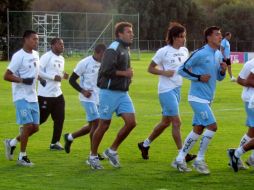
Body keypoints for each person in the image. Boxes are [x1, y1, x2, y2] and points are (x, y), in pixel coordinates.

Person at [137, 22, 196, 165]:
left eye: (184, 36)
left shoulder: (184, 51)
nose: (183, 39)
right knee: (177, 122)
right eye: (181, 37)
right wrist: (164, 72)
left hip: (177, 89)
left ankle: (144, 145)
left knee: (165, 122)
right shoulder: (163, 51)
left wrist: (196, 74)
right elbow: (150, 68)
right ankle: (182, 154)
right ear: (174, 37)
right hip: (165, 90)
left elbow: (186, 68)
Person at [174, 26, 227, 174]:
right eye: (217, 34)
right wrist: (198, 77)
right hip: (197, 98)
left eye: (220, 35)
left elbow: (219, 78)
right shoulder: (200, 53)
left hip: (208, 98)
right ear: (208, 37)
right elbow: (181, 69)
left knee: (198, 129)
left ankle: (180, 158)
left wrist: (222, 71)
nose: (220, 37)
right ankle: (199, 160)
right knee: (212, 126)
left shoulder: (217, 54)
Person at [87, 22, 136, 169]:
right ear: (120, 34)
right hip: (108, 93)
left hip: (122, 93)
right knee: (104, 125)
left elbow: (125, 69)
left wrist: (128, 78)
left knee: (131, 122)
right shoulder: (113, 48)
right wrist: (124, 74)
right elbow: (105, 71)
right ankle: (93, 156)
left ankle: (111, 150)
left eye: (132, 32)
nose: (132, 34)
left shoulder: (126, 49)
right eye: (128, 32)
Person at [3, 30, 40, 166]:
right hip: (21, 96)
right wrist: (23, 80)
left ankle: (11, 143)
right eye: (34, 39)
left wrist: (40, 79)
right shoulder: (18, 56)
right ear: (25, 39)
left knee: (35, 128)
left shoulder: (36, 54)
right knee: (28, 126)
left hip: (33, 96)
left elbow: (35, 71)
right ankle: (22, 157)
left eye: (37, 39)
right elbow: (6, 76)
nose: (36, 42)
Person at [64, 44, 106, 160]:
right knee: (97, 124)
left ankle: (70, 137)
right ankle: (93, 154)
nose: (104, 57)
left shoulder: (104, 63)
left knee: (91, 126)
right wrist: (83, 91)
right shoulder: (84, 63)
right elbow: (72, 80)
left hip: (99, 98)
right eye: (103, 54)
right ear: (97, 53)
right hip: (87, 99)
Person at [38, 38, 69, 150]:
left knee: (60, 118)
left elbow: (57, 74)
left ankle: (54, 143)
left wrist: (63, 75)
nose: (62, 46)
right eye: (59, 44)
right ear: (52, 45)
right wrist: (52, 77)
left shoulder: (61, 58)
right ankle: (27, 128)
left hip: (58, 93)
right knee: (41, 119)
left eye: (63, 44)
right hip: (45, 94)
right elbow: (38, 71)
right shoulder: (47, 56)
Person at [227, 57, 254, 172]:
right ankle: (238, 155)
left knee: (252, 132)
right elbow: (242, 80)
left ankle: (236, 154)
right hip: (251, 100)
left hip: (250, 100)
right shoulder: (251, 63)